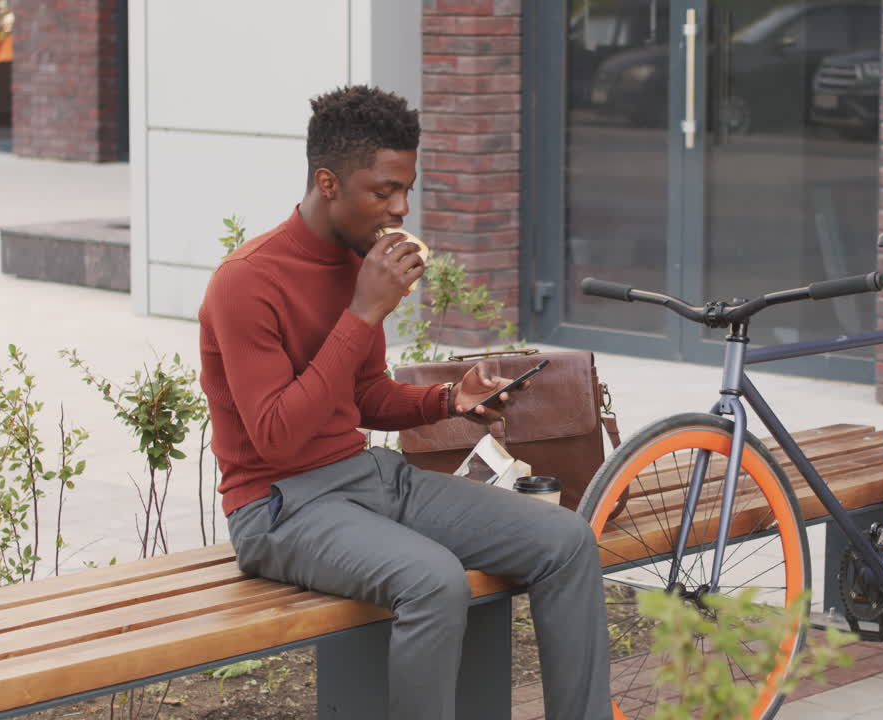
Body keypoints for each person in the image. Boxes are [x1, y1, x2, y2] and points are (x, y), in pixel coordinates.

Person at [198, 85, 611, 720]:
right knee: (432, 581)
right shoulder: (248, 281)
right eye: (384, 190)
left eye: (407, 189)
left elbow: (360, 394)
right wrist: (365, 309)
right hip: (278, 507)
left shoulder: (355, 260)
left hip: (368, 477)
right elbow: (277, 435)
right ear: (328, 182)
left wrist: (450, 400)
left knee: (566, 540)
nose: (400, 208)